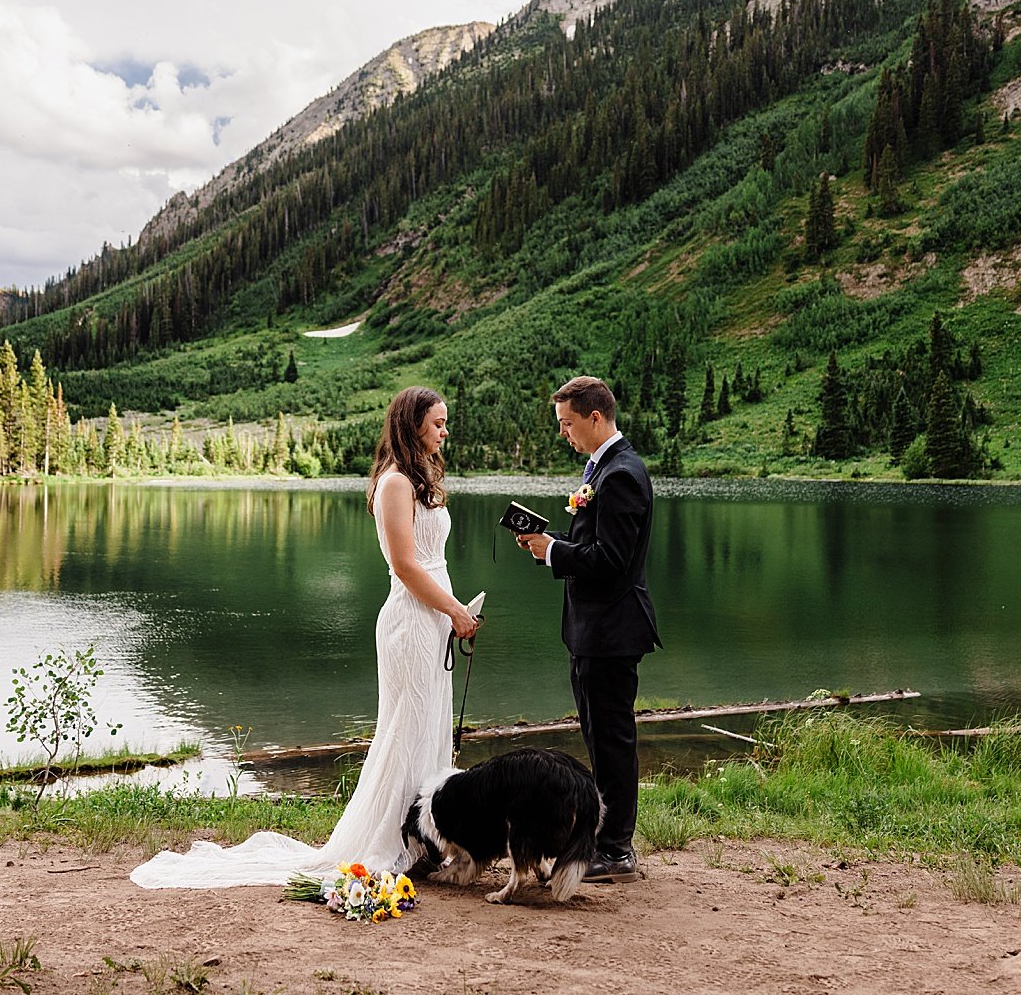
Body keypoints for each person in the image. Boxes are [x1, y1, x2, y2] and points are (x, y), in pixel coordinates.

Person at [131, 386, 479, 889]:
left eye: (446, 423)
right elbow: (405, 565)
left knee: (429, 728)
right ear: (412, 425)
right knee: (406, 730)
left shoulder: (421, 478)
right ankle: (396, 843)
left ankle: (426, 837)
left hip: (436, 619)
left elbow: (432, 561)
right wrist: (452, 608)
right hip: (411, 622)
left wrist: (453, 611)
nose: (445, 432)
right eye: (438, 423)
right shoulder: (396, 483)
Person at [516, 375, 660, 883]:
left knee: (613, 741)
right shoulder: (600, 468)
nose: (564, 434)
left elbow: (614, 561)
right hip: (592, 630)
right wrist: (549, 542)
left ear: (595, 418)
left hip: (613, 630)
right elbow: (593, 545)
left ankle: (616, 850)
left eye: (567, 424)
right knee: (599, 737)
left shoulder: (622, 474)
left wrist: (554, 551)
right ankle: (602, 840)